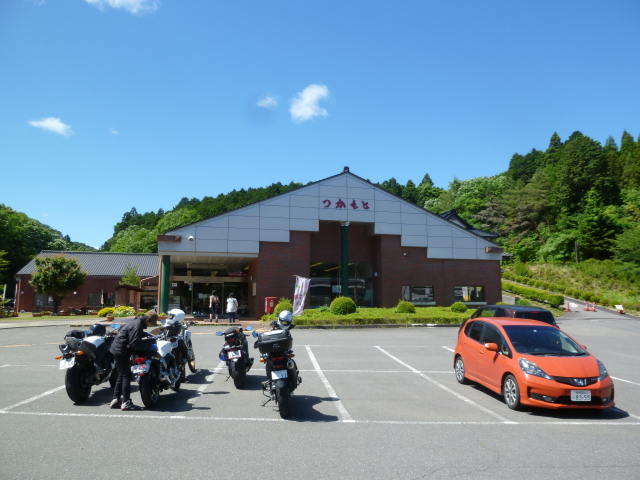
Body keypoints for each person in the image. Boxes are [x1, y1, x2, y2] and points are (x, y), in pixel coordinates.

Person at [109, 309, 158, 411]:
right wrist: (149, 346)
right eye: (150, 323)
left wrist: (146, 334)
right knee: (127, 375)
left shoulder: (136, 321)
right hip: (121, 350)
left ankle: (116, 399)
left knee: (121, 374)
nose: (149, 325)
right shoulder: (138, 324)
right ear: (147, 319)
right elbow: (135, 343)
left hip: (116, 348)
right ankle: (126, 402)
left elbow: (132, 333)